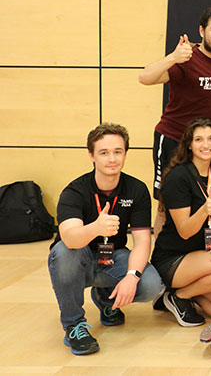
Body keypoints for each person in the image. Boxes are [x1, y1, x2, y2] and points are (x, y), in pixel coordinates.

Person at [48, 123, 164, 355]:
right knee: (63, 252)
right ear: (91, 155)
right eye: (104, 152)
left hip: (113, 258)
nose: (112, 158)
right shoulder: (75, 191)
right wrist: (95, 228)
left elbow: (142, 242)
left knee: (151, 285)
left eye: (118, 152)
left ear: (125, 153)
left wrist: (132, 277)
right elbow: (70, 239)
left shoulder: (136, 189)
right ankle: (74, 325)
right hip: (77, 258)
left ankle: (106, 299)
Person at [151, 118, 211, 327]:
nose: (206, 145)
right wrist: (203, 210)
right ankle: (180, 295)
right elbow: (184, 231)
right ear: (189, 145)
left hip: (205, 254)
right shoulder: (178, 177)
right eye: (199, 139)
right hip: (175, 258)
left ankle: (181, 294)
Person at [139, 7, 211, 211]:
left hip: (204, 146)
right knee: (167, 205)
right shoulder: (187, 60)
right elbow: (144, 78)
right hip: (174, 139)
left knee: (199, 201)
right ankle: (161, 244)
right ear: (202, 31)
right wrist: (173, 57)